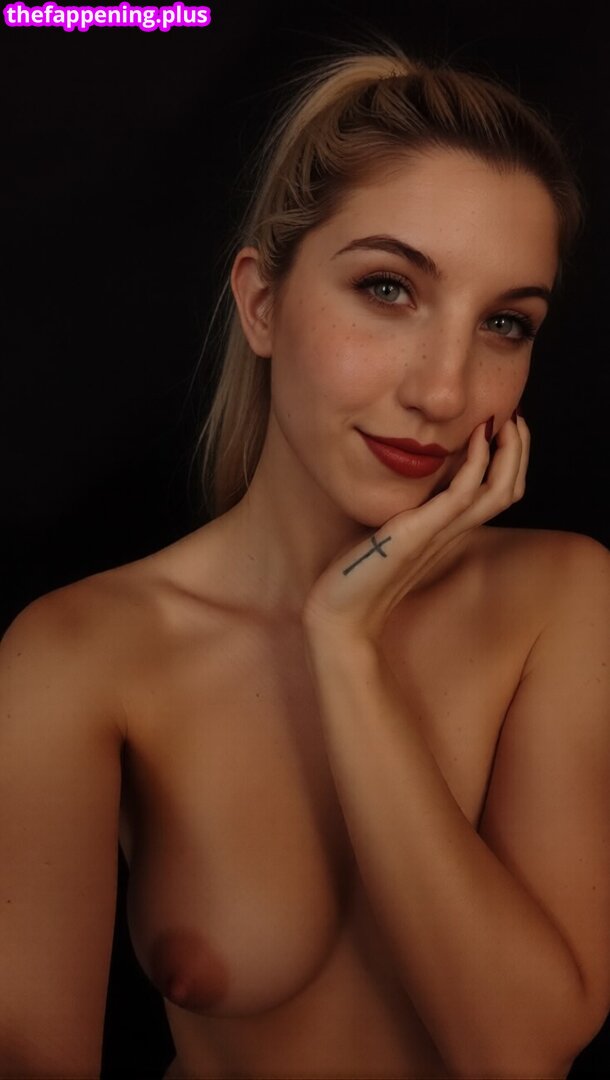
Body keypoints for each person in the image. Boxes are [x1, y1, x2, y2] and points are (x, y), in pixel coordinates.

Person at [1, 44, 608, 1080]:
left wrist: (345, 646)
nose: (444, 390)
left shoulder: (562, 598)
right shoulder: (80, 654)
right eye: (388, 288)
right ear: (262, 303)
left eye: (505, 323)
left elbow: (519, 1055)